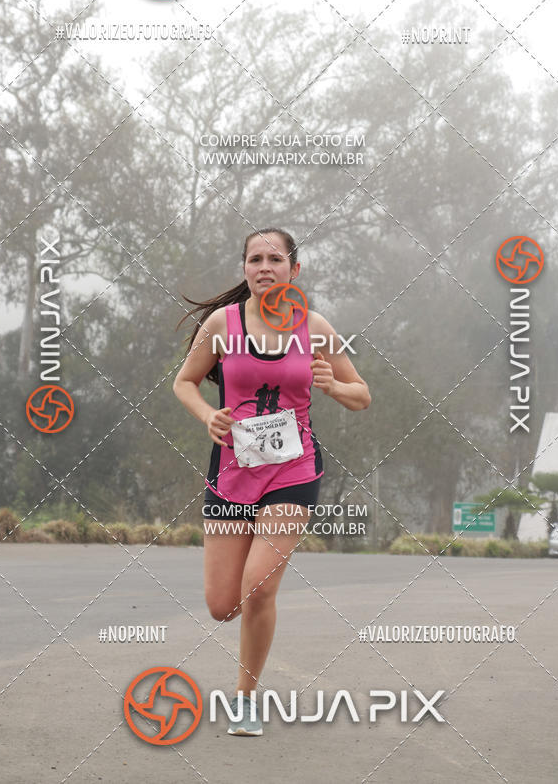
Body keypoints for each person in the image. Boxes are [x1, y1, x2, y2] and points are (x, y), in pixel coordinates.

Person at [172, 227, 370, 735]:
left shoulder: (316, 327)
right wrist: (207, 416)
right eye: (255, 259)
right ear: (244, 269)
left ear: (293, 271)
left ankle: (245, 699)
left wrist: (333, 385)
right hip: (232, 470)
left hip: (292, 471)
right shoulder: (222, 323)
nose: (265, 267)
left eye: (275, 259)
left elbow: (362, 394)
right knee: (223, 606)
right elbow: (185, 382)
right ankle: (244, 642)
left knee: (258, 590)